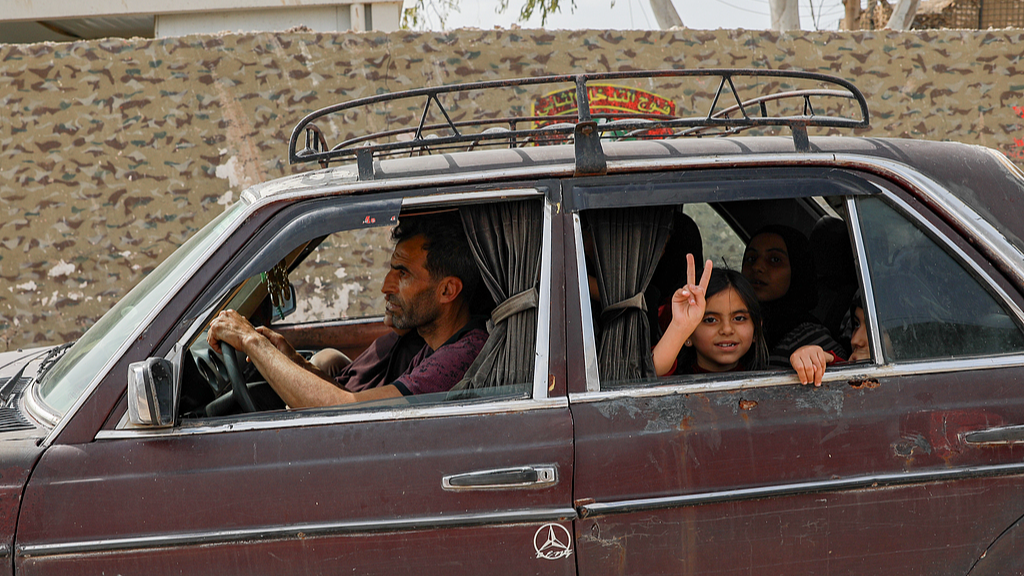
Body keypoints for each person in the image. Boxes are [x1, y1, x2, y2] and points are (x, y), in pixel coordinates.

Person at [207, 212, 487, 409]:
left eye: (403, 273)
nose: (385, 287)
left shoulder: (458, 360)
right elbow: (357, 401)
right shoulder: (434, 346)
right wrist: (294, 361)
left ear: (447, 291)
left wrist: (251, 341)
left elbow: (347, 410)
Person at [741, 225, 845, 381]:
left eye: (775, 260)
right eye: (751, 259)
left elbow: (844, 380)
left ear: (798, 270)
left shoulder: (807, 337)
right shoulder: (732, 326)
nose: (757, 267)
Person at [653, 255, 768, 376]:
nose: (727, 330)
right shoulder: (673, 379)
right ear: (688, 335)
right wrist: (680, 327)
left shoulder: (770, 380)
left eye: (739, 318)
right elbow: (650, 374)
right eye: (711, 320)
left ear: (756, 329)